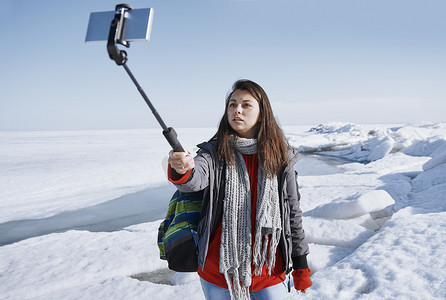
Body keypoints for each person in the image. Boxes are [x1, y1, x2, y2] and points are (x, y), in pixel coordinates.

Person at [167, 79, 312, 300]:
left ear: (262, 112)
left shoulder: (282, 157)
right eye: (232, 104)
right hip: (219, 271)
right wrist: (182, 168)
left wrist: (301, 266)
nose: (238, 110)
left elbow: (292, 213)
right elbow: (193, 181)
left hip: (269, 269)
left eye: (246, 104)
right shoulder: (213, 153)